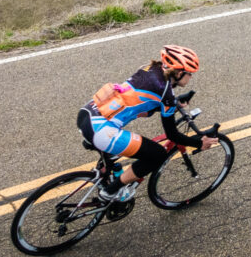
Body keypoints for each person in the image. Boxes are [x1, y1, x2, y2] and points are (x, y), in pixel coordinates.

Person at [77, 44, 219, 201]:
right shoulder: (166, 93)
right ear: (179, 73)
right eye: (190, 73)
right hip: (101, 129)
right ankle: (110, 192)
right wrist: (199, 143)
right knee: (157, 155)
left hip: (88, 114)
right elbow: (172, 135)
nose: (191, 77)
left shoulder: (149, 69)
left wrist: (174, 104)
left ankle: (103, 173)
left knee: (118, 152)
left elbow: (142, 104)